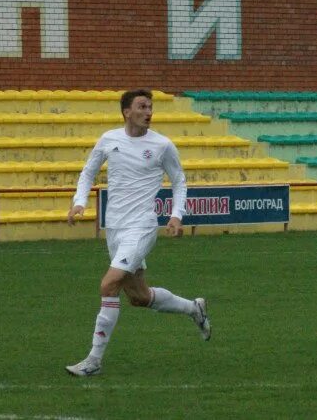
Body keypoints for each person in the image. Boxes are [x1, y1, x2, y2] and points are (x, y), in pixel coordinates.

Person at [64, 89, 211, 377]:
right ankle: (194, 308)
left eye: (150, 107)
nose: (148, 111)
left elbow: (179, 181)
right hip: (115, 228)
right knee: (139, 297)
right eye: (142, 106)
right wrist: (79, 202)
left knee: (109, 285)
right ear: (126, 111)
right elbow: (88, 172)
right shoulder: (109, 139)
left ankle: (93, 361)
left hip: (141, 227)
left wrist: (176, 215)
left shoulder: (162, 145)